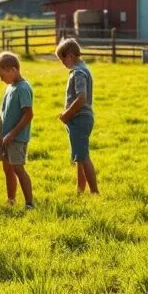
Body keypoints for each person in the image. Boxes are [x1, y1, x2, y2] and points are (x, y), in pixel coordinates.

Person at [0, 51, 35, 209]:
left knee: (18, 169)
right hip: (5, 136)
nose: (1, 79)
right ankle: (11, 199)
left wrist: (12, 134)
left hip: (15, 138)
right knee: (7, 168)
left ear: (13, 70)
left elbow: (28, 114)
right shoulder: (10, 87)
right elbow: (9, 110)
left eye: (2, 75)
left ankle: (29, 204)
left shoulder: (22, 88)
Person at [56, 38, 99, 195]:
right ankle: (80, 190)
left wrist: (67, 114)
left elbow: (81, 98)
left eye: (62, 59)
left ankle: (95, 192)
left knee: (83, 157)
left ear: (70, 56)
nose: (62, 63)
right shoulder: (84, 69)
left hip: (79, 119)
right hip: (79, 119)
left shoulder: (78, 73)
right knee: (79, 157)